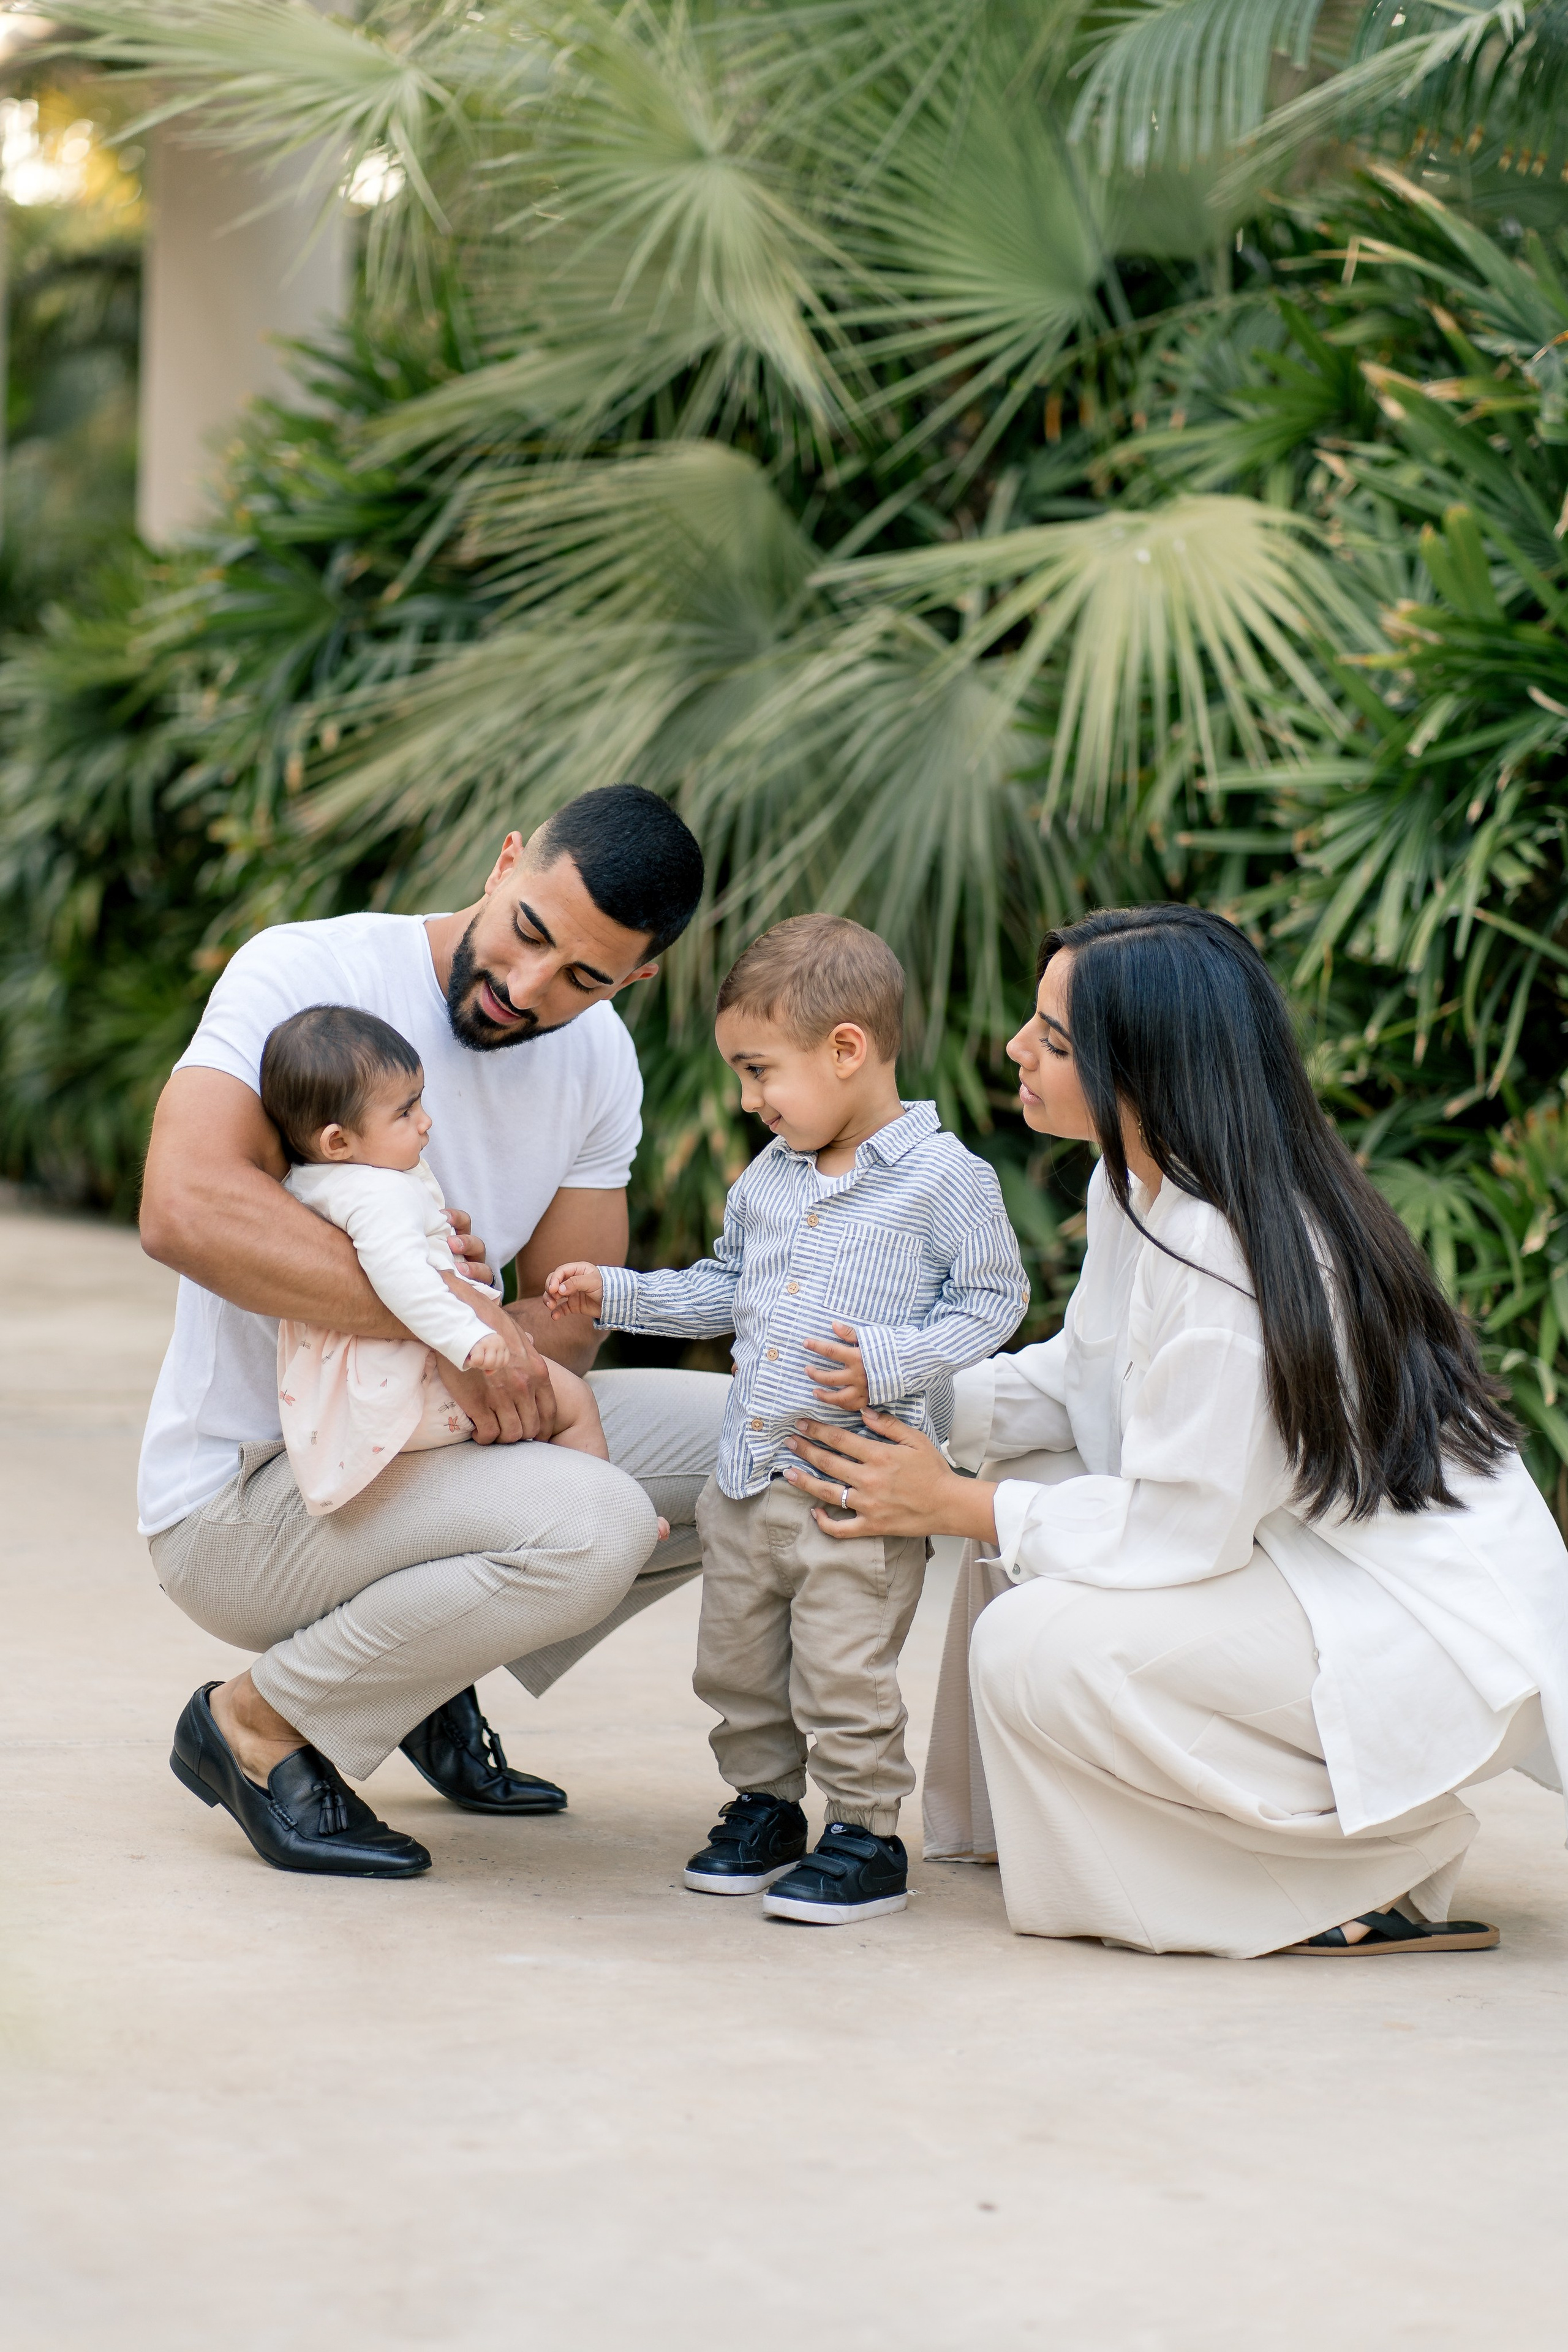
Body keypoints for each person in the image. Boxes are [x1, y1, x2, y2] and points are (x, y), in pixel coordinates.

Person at [784, 904, 1568, 1959]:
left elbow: (1182, 1531)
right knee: (1020, 1467)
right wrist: (897, 1398)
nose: (1017, 1049)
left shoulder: (1233, 1253)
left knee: (1033, 1638)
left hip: (1404, 1621)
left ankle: (1372, 1865)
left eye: (1055, 1041)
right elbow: (1081, 1380)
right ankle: (1080, 1830)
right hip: (1297, 1554)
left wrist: (953, 1501)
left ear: (1145, 1072)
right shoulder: (1142, 1185)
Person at [139, 784, 728, 1880]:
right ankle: (257, 1728)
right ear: (506, 862)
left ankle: (413, 1667)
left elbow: (564, 1321)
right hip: (249, 1497)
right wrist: (454, 1316)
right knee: (597, 1522)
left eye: (584, 978)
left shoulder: (599, 1061)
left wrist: (491, 1346)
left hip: (425, 1445)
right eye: (530, 933)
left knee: (768, 1439)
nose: (526, 987)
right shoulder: (309, 972)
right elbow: (184, 1207)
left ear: (635, 980)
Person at [546, 915, 1028, 1924]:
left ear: (845, 1049)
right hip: (746, 1480)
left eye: (760, 1071)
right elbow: (727, 1291)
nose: (748, 1099)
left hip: (856, 1491)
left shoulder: (948, 1182)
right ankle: (764, 1807)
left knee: (844, 1668)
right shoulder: (771, 1181)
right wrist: (619, 1297)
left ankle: (864, 1833)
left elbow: (993, 1301)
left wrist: (894, 1361)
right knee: (738, 1662)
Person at [258, 1005, 616, 1515]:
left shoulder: (317, 1183)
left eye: (419, 1101)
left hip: (370, 1388)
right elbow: (402, 1278)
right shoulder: (380, 1194)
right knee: (575, 1405)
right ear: (338, 1141)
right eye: (404, 1112)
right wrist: (466, 1341)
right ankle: (606, 1517)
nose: (426, 1122)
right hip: (420, 1380)